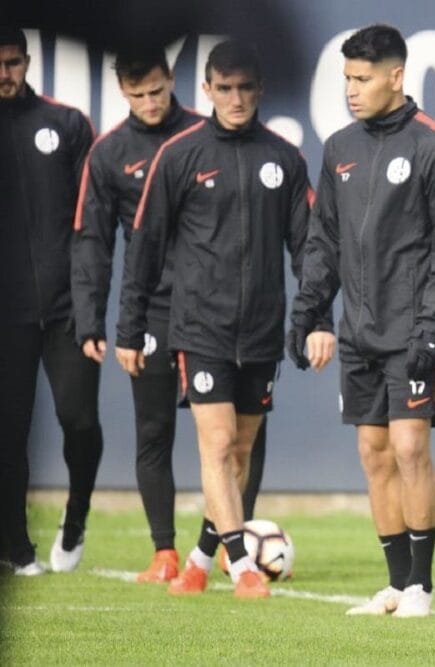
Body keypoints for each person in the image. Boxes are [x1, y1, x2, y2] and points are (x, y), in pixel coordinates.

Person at [115, 39, 311, 598]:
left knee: (241, 450)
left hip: (263, 332)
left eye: (245, 88)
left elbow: (308, 249)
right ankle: (242, 566)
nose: (235, 98)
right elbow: (145, 249)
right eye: (224, 88)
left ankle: (200, 559)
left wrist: (313, 316)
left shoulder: (284, 159)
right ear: (206, 90)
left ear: (260, 89)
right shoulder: (178, 156)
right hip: (199, 328)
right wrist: (129, 329)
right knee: (219, 442)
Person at [288, 24, 435, 617]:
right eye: (346, 79)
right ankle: (395, 584)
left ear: (396, 76)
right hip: (358, 331)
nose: (352, 89)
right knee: (373, 451)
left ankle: (422, 585)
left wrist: (434, 330)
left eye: (362, 79)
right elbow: (323, 240)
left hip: (414, 329)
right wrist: (310, 311)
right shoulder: (339, 147)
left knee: (409, 446)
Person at [72, 48, 269, 584]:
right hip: (156, 310)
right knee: (155, 429)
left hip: (221, 309)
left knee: (238, 436)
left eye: (157, 89)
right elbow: (95, 243)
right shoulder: (110, 154)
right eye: (138, 94)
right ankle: (164, 550)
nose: (150, 101)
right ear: (122, 92)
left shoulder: (212, 137)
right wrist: (98, 320)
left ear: (176, 82)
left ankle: (230, 544)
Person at [0, 27, 103, 576]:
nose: (4, 75)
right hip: (6, 320)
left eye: (12, 63)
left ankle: (77, 515)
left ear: (27, 61)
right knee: (10, 435)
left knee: (79, 421)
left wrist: (89, 304)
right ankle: (17, 548)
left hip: (67, 311)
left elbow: (90, 224)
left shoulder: (65, 125)